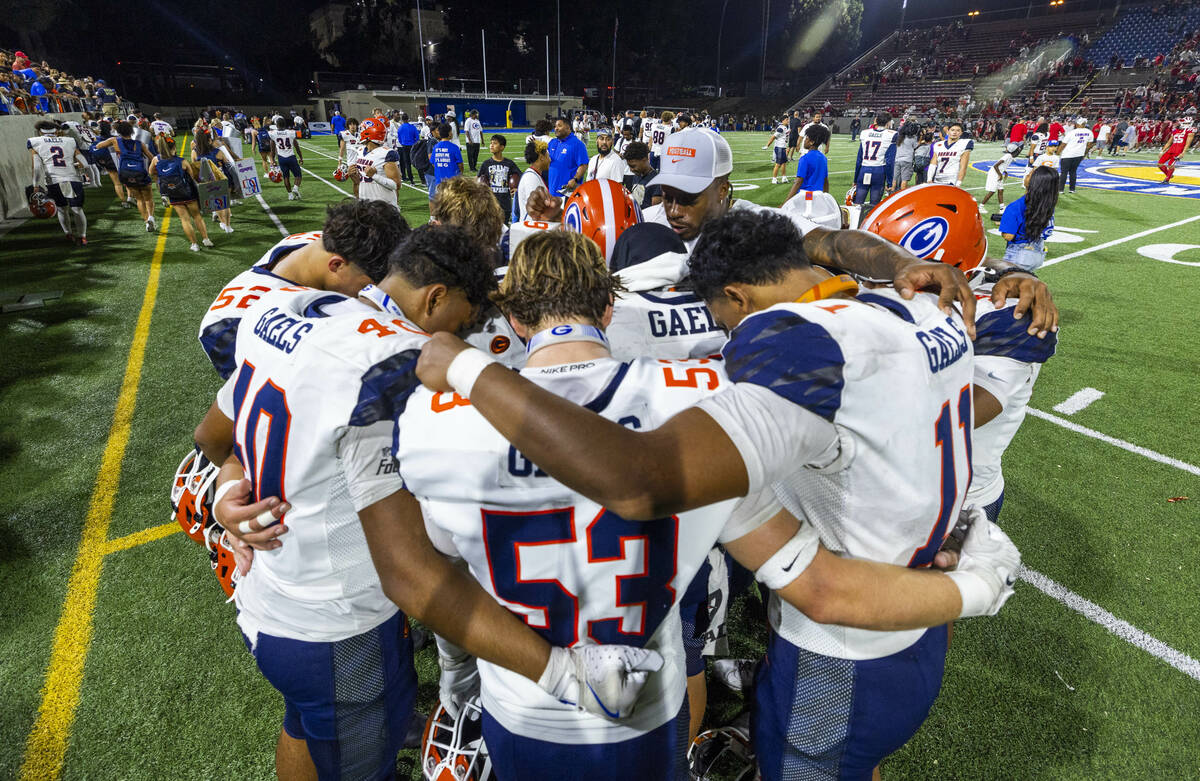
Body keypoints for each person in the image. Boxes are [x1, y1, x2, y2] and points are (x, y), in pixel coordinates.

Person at [409, 211, 1026, 780]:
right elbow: (819, 581)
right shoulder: (705, 395)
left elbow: (429, 576)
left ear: (514, 321)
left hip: (523, 708)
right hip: (659, 701)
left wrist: (464, 369)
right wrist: (902, 265)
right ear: (606, 307)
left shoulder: (434, 419)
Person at [201, 224, 661, 781]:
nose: (462, 338)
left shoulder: (297, 306)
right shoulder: (396, 362)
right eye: (463, 322)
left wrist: (228, 492)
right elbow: (409, 574)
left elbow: (213, 437)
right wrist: (566, 674)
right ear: (436, 297)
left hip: (272, 594)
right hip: (339, 617)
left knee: (304, 725)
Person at [27, 119, 90, 244]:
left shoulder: (35, 142)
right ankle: (82, 236)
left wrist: (35, 184)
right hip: (72, 178)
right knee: (77, 209)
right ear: (56, 131)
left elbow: (37, 166)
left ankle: (68, 234)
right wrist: (83, 170)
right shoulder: (69, 141)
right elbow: (84, 162)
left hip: (53, 181)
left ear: (40, 131)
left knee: (62, 209)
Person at [151, 134, 211, 252]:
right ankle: (206, 239)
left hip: (172, 194)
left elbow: (151, 172)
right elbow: (192, 175)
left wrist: (159, 182)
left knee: (184, 219)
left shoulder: (156, 160)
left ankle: (194, 244)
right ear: (174, 147)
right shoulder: (182, 161)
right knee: (197, 217)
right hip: (188, 193)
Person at [95, 119, 155, 231]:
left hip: (125, 173)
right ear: (131, 131)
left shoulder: (114, 140)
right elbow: (152, 157)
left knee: (139, 199)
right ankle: (151, 217)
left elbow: (98, 146)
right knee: (148, 198)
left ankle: (146, 222)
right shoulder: (139, 144)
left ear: (118, 131)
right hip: (140, 172)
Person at [1001, 165, 1057, 271]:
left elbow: (1008, 236)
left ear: (1035, 183)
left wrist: (1005, 226)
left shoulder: (1015, 206)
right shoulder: (1048, 205)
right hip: (1038, 253)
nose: (1025, 176)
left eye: (1029, 175)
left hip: (1019, 254)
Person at [351, 117, 402, 212]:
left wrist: (374, 176)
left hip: (384, 208)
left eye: (362, 130)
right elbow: (361, 183)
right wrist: (354, 177)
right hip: (365, 206)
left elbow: (396, 185)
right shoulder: (360, 151)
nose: (360, 132)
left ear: (369, 133)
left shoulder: (386, 153)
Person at [852, 111, 897, 208]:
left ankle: (856, 223)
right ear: (888, 122)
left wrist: (855, 178)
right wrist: (889, 182)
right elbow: (889, 161)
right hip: (878, 171)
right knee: (874, 207)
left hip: (864, 170)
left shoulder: (865, 133)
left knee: (857, 205)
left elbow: (859, 159)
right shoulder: (891, 134)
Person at [477, 134, 521, 220]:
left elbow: (521, 176)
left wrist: (517, 188)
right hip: (490, 204)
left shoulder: (509, 163)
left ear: (502, 147)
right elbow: (477, 179)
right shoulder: (486, 164)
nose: (491, 145)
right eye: (491, 143)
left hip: (505, 204)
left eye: (495, 143)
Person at [784, 123, 830, 203]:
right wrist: (826, 198)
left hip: (807, 196)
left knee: (803, 213)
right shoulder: (823, 158)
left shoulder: (805, 158)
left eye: (806, 138)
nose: (804, 140)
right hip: (818, 196)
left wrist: (786, 202)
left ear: (811, 142)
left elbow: (798, 182)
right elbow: (825, 181)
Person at [548, 117, 589, 197]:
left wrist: (575, 179)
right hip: (552, 191)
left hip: (567, 193)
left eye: (559, 126)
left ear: (568, 127)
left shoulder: (577, 144)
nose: (556, 128)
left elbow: (583, 165)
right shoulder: (552, 143)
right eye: (555, 126)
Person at [980, 142, 1022, 214]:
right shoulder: (1008, 156)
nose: (1019, 151)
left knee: (1001, 190)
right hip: (994, 174)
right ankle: (981, 206)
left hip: (998, 173)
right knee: (992, 191)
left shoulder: (1010, 157)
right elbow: (995, 166)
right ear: (1014, 151)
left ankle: (1002, 207)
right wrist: (1000, 174)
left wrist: (1004, 171)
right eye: (1018, 150)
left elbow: (1001, 166)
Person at [430, 122, 464, 211]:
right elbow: (460, 165)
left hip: (439, 182)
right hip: (453, 183)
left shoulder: (436, 147)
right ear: (449, 133)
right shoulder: (454, 147)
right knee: (454, 208)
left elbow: (433, 162)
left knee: (442, 208)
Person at [268, 115, 304, 200]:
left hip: (281, 158)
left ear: (277, 125)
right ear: (285, 124)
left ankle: (290, 195)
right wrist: (301, 157)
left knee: (286, 177)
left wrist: (272, 160)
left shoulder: (273, 134)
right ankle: (295, 188)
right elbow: (297, 146)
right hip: (291, 156)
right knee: (298, 175)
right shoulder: (290, 132)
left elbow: (272, 149)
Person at [514, 139, 550, 222]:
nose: (550, 160)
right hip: (532, 229)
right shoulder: (531, 178)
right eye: (548, 156)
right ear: (541, 158)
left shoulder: (534, 175)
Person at [929, 121, 972, 187]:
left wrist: (958, 183)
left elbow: (963, 166)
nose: (954, 132)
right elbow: (933, 164)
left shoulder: (964, 144)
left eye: (958, 130)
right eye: (952, 130)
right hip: (937, 179)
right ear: (948, 131)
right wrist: (929, 179)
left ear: (961, 133)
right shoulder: (938, 145)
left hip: (952, 180)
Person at [621, 141, 662, 209]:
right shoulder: (637, 175)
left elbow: (655, 211)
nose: (631, 170)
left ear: (644, 160)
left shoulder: (656, 181)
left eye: (633, 166)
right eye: (629, 166)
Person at [1058, 116, 1093, 194]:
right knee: (1073, 172)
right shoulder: (1089, 132)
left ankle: (1060, 189)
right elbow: (1089, 145)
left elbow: (1063, 144)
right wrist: (1084, 154)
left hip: (1068, 154)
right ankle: (1072, 189)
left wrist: (1057, 153)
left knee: (1064, 172)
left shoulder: (1072, 132)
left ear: (1078, 124)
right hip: (1079, 154)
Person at [1158, 116, 1195, 183]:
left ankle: (1167, 179)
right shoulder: (1175, 131)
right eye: (1186, 123)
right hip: (1171, 149)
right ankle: (1169, 175)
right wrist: (1162, 151)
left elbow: (1187, 143)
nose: (1188, 125)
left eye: (1189, 123)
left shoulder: (1190, 131)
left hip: (1178, 150)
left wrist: (1183, 152)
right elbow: (1169, 142)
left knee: (1170, 165)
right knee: (1160, 164)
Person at [893, 119, 921, 191]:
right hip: (907, 160)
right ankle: (902, 195)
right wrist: (920, 140)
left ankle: (891, 193)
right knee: (904, 179)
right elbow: (915, 146)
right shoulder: (912, 138)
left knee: (895, 179)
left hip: (897, 159)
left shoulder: (899, 137)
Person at [764, 116, 790, 184]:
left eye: (788, 119)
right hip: (779, 148)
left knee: (784, 163)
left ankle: (784, 178)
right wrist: (767, 145)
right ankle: (774, 179)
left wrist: (786, 147)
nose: (788, 121)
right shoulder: (780, 128)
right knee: (778, 164)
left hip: (783, 147)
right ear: (782, 121)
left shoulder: (786, 127)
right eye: (786, 120)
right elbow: (773, 137)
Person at [396, 111, 419, 182]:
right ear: (408, 119)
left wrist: (403, 143)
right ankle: (422, 178)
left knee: (407, 163)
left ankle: (411, 179)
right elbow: (417, 137)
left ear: (402, 120)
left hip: (404, 146)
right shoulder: (412, 127)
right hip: (412, 146)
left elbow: (399, 139)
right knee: (416, 162)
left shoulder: (400, 128)